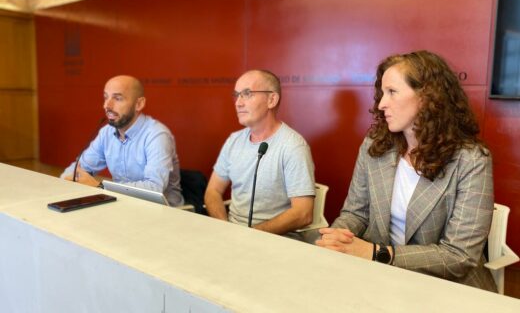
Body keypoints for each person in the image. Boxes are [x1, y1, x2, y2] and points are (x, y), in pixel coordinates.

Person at [316, 51, 496, 291]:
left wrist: (376, 253)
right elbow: (356, 213)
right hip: (380, 279)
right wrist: (337, 237)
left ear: (427, 96)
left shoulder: (471, 160)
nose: (381, 104)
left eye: (392, 92)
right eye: (382, 93)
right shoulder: (374, 145)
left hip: (449, 288)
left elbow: (459, 256)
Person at [204, 69, 315, 239]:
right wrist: (225, 229)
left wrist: (250, 235)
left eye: (247, 94)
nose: (238, 103)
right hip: (230, 235)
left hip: (274, 239)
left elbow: (303, 213)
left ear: (271, 99)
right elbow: (212, 191)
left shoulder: (293, 146)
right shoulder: (234, 140)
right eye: (236, 95)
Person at [61, 75, 184, 206]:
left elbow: (154, 188)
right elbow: (79, 168)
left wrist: (101, 187)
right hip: (121, 205)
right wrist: (63, 182)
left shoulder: (157, 135)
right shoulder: (106, 132)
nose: (107, 105)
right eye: (106, 97)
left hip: (164, 212)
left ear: (139, 104)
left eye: (117, 98)